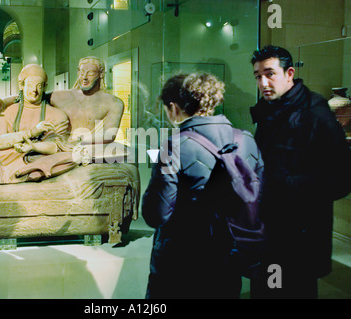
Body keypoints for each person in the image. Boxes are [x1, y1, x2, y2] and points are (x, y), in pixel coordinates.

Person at [141, 73, 263, 299]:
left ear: (173, 107)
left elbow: (156, 214)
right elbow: (261, 197)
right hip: (229, 253)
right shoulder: (246, 140)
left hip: (179, 258)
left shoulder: (173, 146)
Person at [249, 45, 351, 299]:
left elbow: (342, 179)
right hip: (271, 229)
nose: (263, 82)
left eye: (270, 73)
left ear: (289, 73)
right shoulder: (270, 110)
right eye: (258, 75)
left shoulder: (315, 114)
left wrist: (284, 184)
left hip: (300, 236)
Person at [0, 56, 124, 144]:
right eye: (81, 72)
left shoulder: (114, 103)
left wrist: (80, 140)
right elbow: (32, 96)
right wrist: (4, 102)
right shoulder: (63, 96)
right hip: (55, 145)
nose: (84, 77)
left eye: (91, 73)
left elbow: (109, 134)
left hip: (81, 146)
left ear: (101, 74)